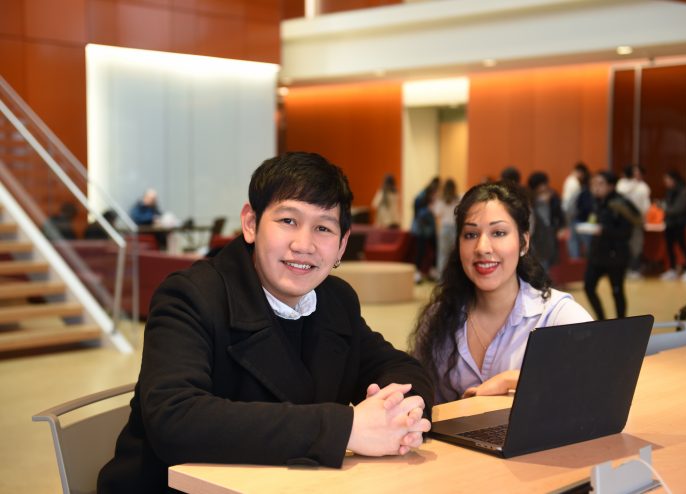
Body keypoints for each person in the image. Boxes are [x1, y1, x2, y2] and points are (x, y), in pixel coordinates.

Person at [98, 152, 433, 493]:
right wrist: (347, 429)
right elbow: (175, 418)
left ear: (342, 245)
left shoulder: (335, 299)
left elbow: (398, 367)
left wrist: (401, 411)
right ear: (250, 223)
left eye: (323, 228)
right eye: (288, 221)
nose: (303, 245)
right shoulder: (191, 296)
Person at [409, 181, 592, 405]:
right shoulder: (440, 318)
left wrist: (514, 380)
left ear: (524, 242)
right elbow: (423, 403)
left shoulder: (557, 316)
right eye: (470, 235)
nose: (482, 247)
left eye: (498, 232)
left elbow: (600, 388)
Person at [584, 171, 641, 320]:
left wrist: (604, 231)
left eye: (600, 184)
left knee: (617, 291)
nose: (596, 187)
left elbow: (626, 232)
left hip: (616, 255)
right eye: (594, 184)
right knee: (588, 287)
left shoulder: (620, 203)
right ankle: (601, 320)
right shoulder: (597, 202)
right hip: (597, 254)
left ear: (611, 186)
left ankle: (621, 323)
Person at [660, 171, 686, 282]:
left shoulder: (683, 191)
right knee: (669, 247)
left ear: (674, 179)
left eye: (668, 179)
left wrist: (665, 208)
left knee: (683, 246)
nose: (666, 182)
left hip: (680, 223)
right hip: (669, 223)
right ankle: (672, 269)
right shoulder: (669, 192)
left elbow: (679, 209)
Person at [616, 164, 650, 279]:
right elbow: (646, 207)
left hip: (621, 221)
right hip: (637, 221)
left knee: (623, 245)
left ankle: (623, 269)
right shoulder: (642, 187)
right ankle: (634, 269)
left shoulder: (619, 185)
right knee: (636, 245)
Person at [527, 171, 564, 271]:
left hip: (549, 235)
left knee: (547, 262)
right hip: (537, 238)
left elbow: (559, 214)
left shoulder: (553, 197)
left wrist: (559, 227)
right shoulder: (530, 199)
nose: (544, 187)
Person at [411, 178, 440, 282]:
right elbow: (417, 215)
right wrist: (428, 209)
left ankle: (433, 271)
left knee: (435, 248)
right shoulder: (420, 198)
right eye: (435, 193)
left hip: (430, 229)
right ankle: (417, 273)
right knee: (420, 251)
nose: (436, 195)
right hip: (421, 229)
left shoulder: (432, 199)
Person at [562, 162, 590, 259]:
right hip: (573, 213)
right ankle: (577, 258)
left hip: (570, 212)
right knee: (577, 239)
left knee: (573, 239)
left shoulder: (570, 180)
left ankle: (575, 258)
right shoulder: (574, 183)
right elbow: (572, 202)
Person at [431, 178, 459, 275]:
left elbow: (437, 216)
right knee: (454, 255)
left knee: (442, 255)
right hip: (455, 229)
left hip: (445, 229)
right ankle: (452, 277)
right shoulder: (457, 199)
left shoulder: (441, 200)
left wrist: (437, 231)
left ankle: (441, 278)